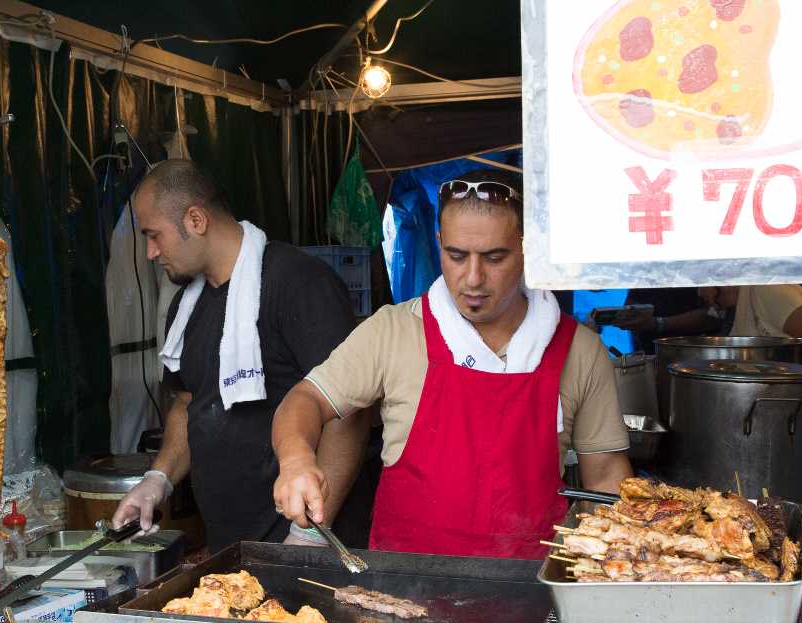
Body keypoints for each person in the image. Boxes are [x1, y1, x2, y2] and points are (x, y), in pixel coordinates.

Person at [271, 169, 633, 559]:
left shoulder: (579, 351)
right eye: (456, 256)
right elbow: (306, 398)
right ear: (439, 242)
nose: (473, 278)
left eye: (495, 257)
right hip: (403, 583)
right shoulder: (394, 331)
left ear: (529, 248)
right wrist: (296, 460)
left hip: (531, 587)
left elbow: (606, 476)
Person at [112, 160, 372, 553]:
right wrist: (158, 480)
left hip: (310, 541)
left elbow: (351, 412)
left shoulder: (299, 283)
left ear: (196, 219)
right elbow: (188, 404)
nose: (150, 252)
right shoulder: (186, 307)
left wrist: (307, 536)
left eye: (154, 235)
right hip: (230, 542)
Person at [699, 284, 802, 550]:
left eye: (701, 285)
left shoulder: (768, 288)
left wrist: (773, 381)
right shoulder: (741, 307)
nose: (700, 293)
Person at [614, 288, 724, 354]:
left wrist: (657, 323)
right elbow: (632, 301)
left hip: (691, 357)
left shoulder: (699, 263)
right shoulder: (647, 264)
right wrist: (632, 314)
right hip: (647, 355)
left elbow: (715, 315)